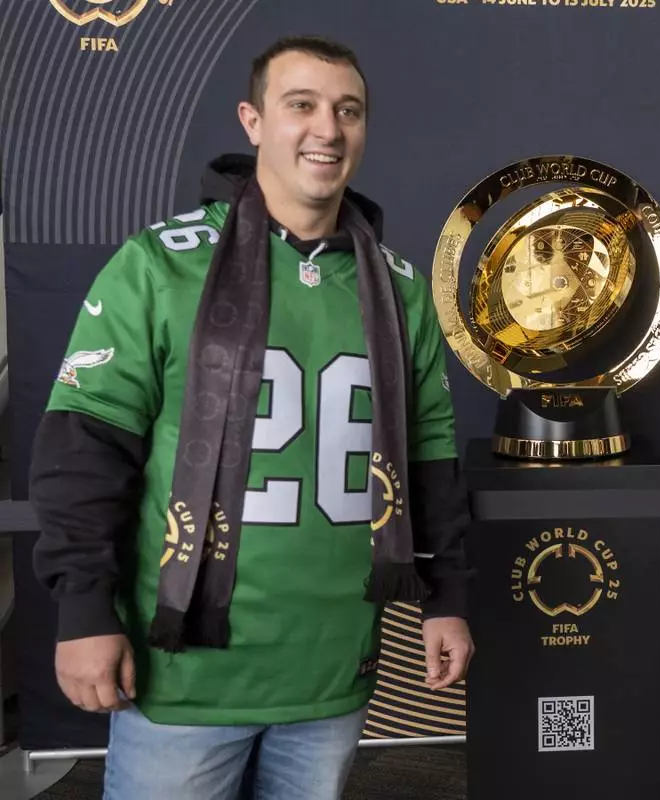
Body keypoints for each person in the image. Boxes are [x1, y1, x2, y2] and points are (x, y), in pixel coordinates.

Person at [29, 35, 474, 799]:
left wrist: (449, 600)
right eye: (300, 105)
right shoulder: (160, 264)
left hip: (331, 668)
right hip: (185, 674)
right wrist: (81, 607)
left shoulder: (398, 290)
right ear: (252, 120)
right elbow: (86, 447)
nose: (327, 129)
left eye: (348, 111)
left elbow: (428, 453)